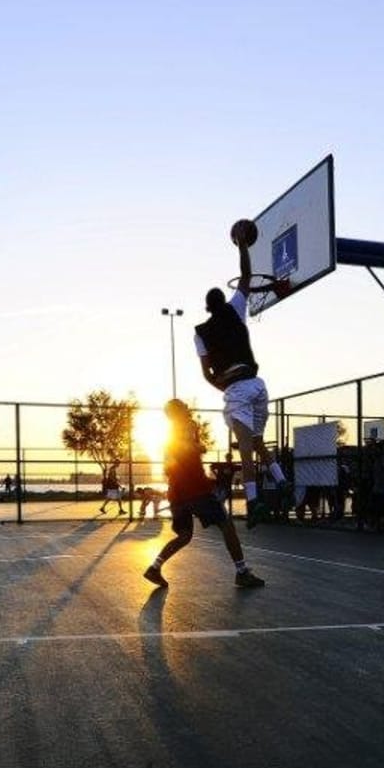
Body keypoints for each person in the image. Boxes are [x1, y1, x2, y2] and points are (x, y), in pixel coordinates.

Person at [193, 225, 287, 527]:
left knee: (246, 450)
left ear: (207, 307)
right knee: (258, 442)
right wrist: (243, 246)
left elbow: (206, 374)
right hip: (258, 385)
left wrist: (223, 386)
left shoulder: (201, 333)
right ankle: (282, 481)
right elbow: (246, 275)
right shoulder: (235, 308)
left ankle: (253, 501)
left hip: (236, 389)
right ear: (223, 301)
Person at [143, 400, 264, 589]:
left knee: (184, 535)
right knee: (226, 524)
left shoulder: (168, 438)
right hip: (196, 490)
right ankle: (242, 572)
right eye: (183, 406)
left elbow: (168, 467)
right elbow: (189, 448)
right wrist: (199, 447)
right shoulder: (187, 426)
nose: (187, 408)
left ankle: (154, 567)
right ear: (177, 412)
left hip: (177, 493)